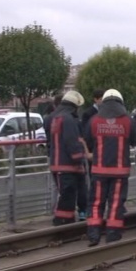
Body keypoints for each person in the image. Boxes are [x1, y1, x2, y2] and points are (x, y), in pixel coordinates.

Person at [84, 89, 136, 246]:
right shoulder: (128, 121)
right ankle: (113, 234)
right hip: (119, 171)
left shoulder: (94, 120)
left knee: (96, 202)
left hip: (98, 170)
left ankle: (94, 234)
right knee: (116, 202)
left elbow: (87, 141)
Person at [43, 90, 89, 226]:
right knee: (68, 194)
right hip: (68, 164)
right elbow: (72, 141)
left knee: (67, 193)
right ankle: (61, 221)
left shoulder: (57, 117)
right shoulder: (68, 119)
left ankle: (65, 222)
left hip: (58, 163)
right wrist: (79, 158)